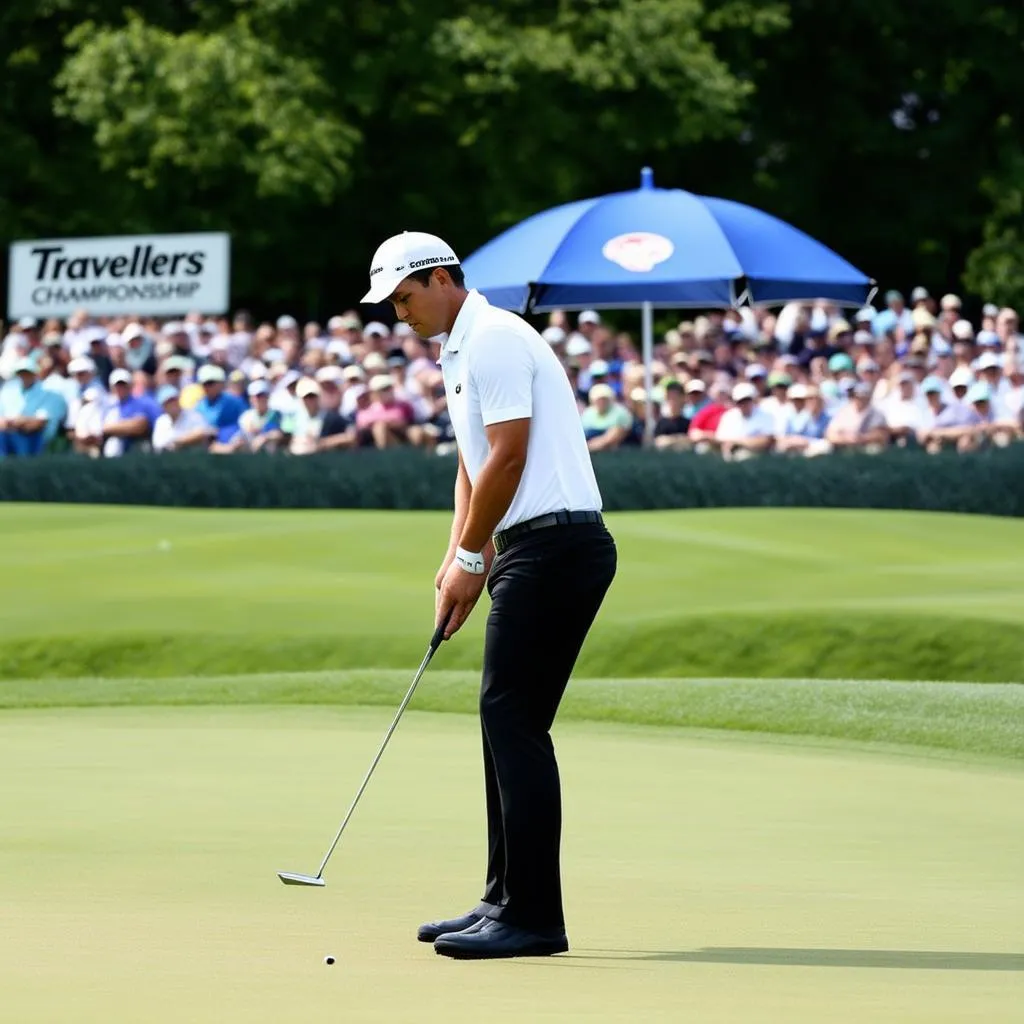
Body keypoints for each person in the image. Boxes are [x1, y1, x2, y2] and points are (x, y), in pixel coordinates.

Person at [360, 230, 617, 960]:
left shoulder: (497, 338)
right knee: (501, 717)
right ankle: (503, 898)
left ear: (441, 278)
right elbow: (474, 467)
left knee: (513, 718)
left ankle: (535, 917)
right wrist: (456, 558)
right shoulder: (458, 348)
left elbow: (510, 454)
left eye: (405, 298)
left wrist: (476, 553)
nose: (399, 315)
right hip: (526, 548)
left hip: (557, 546)